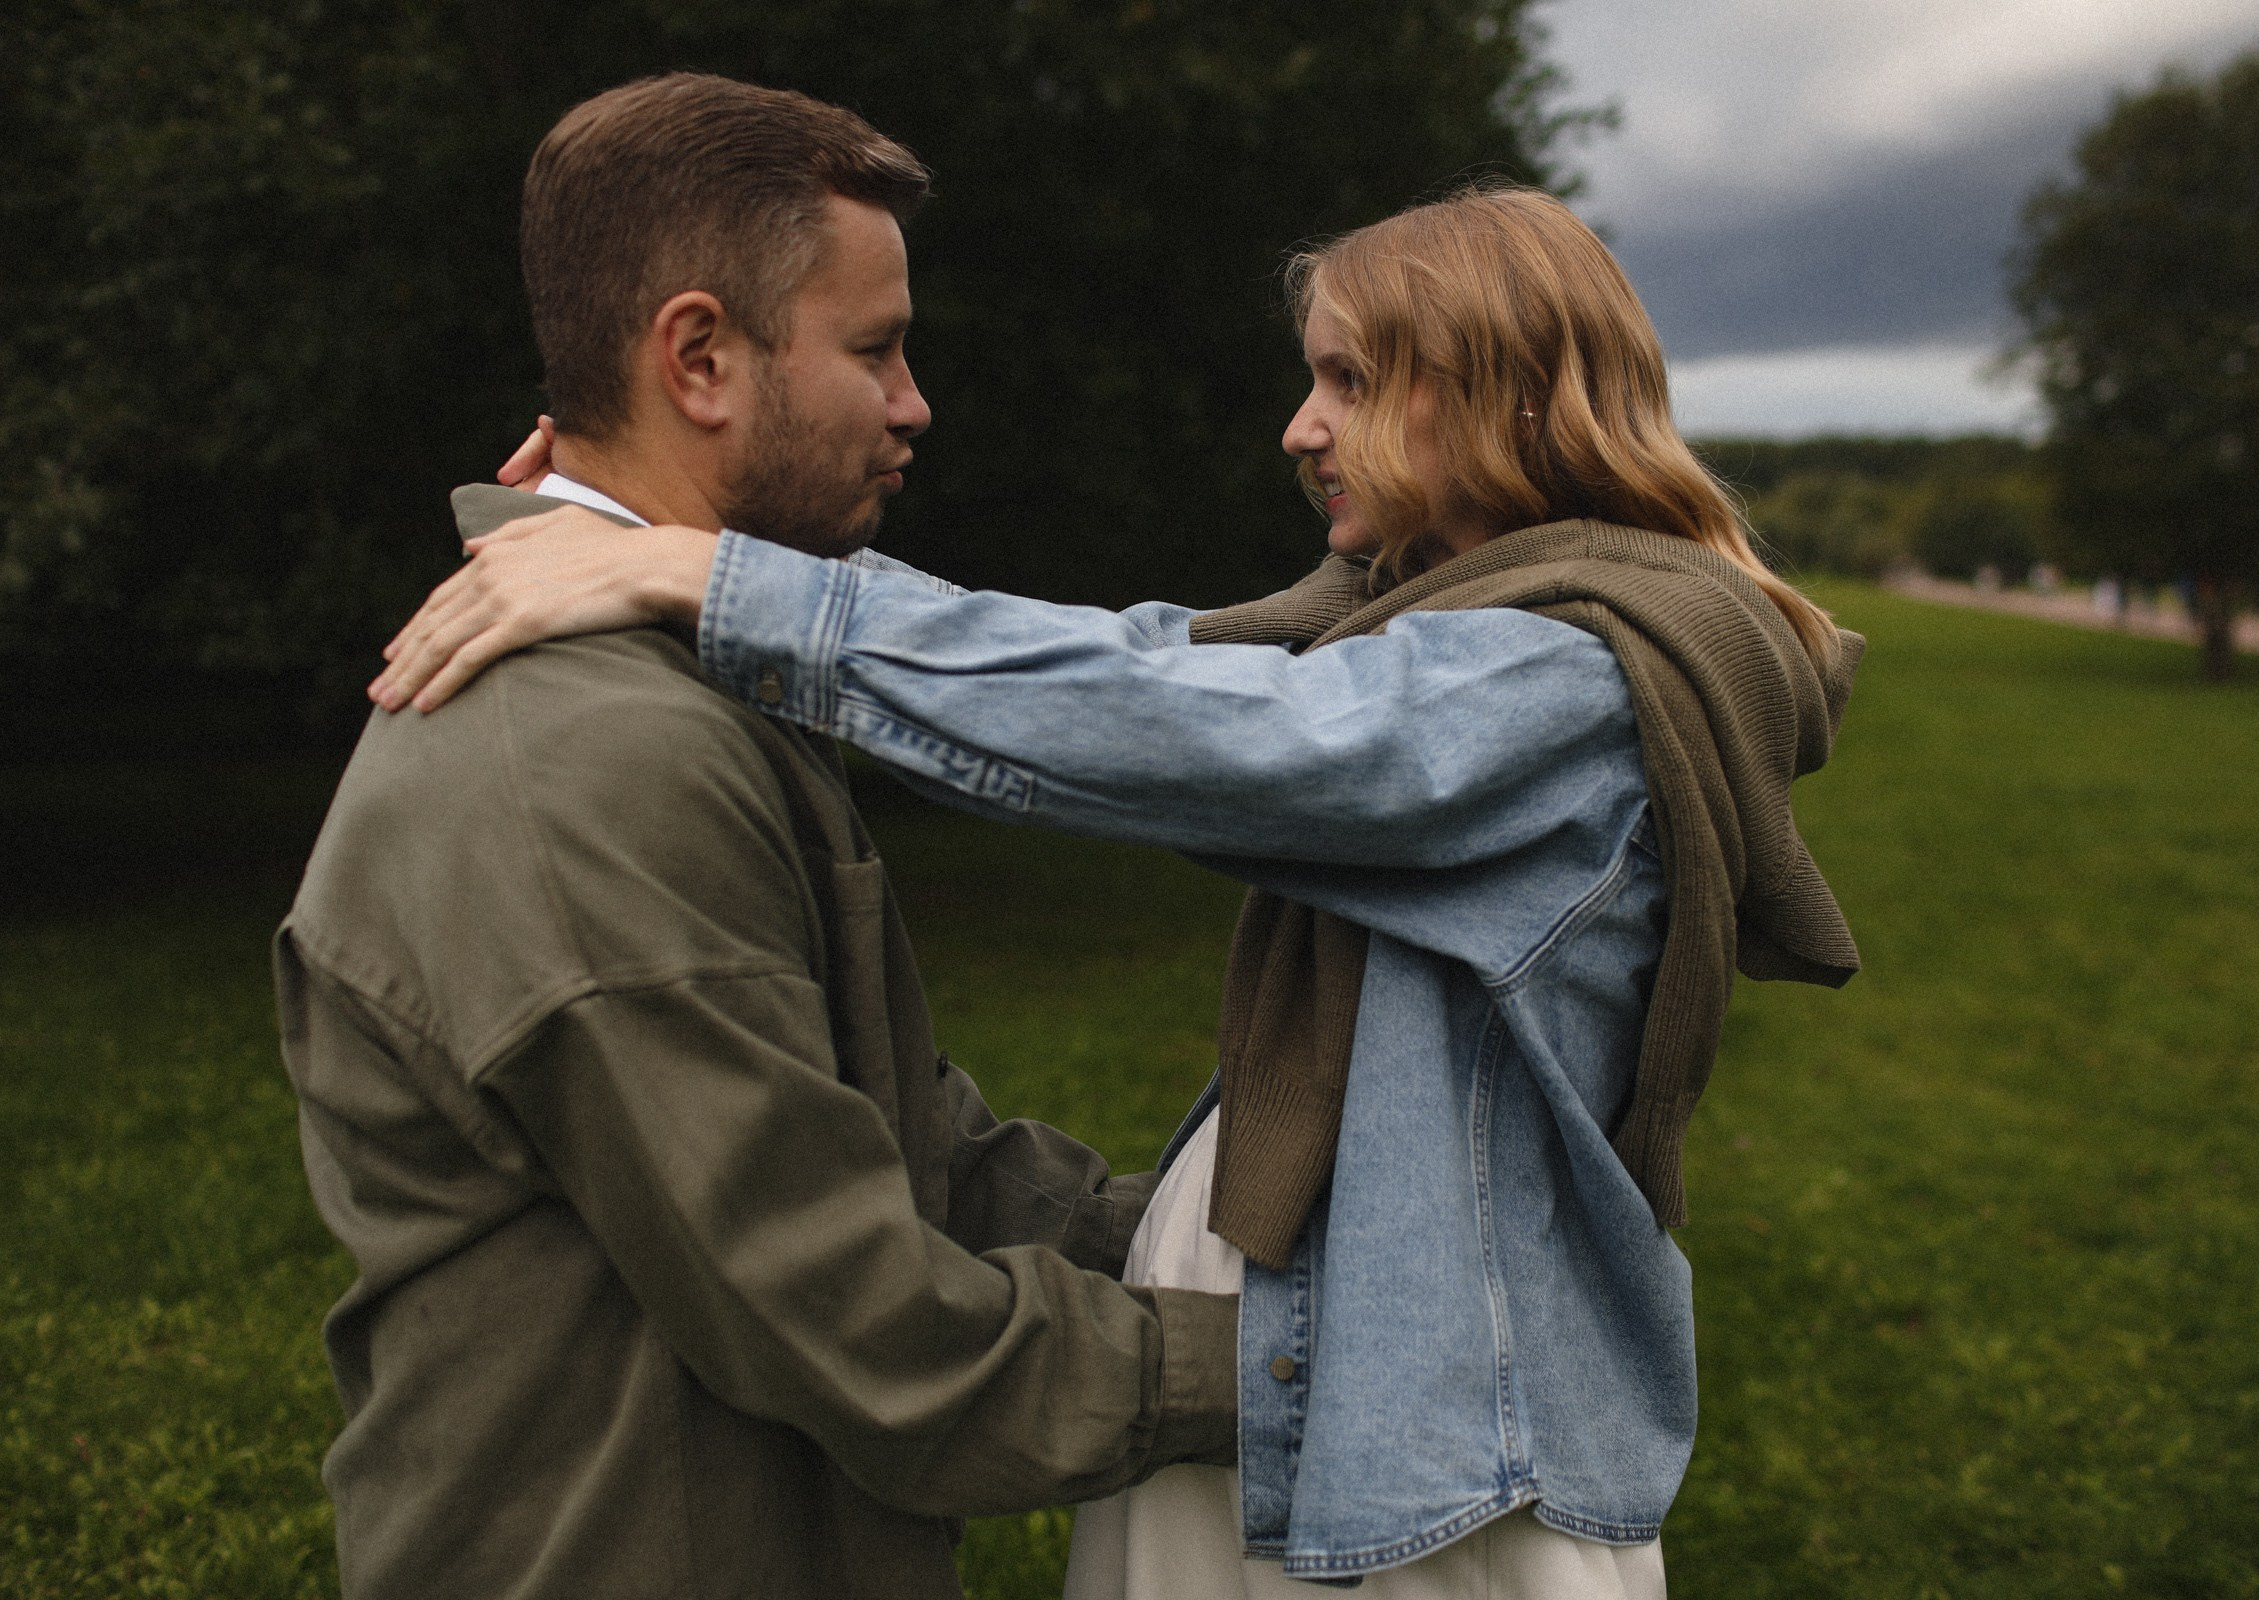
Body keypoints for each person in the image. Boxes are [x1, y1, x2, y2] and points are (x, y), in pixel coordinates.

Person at [376, 183, 1866, 1595]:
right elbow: (1149, 667)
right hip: (1311, 1399)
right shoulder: (1412, 640)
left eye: (1347, 380)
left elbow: (1195, 727)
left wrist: (713, 580)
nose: (1302, 428)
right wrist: (622, 515)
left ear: (1498, 391)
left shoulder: (1571, 687)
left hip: (1419, 1471)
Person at [277, 74, 1241, 1600]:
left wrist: (1222, 1235)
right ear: (702, 357)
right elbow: (865, 1327)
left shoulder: (683, 685)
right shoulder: (587, 762)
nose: (916, 400)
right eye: (875, 349)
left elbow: (907, 1149)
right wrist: (1295, 1371)